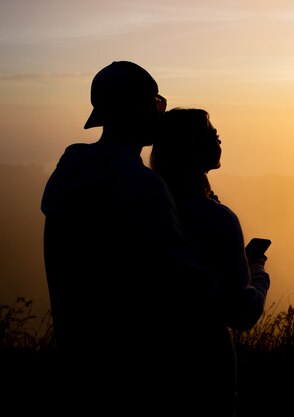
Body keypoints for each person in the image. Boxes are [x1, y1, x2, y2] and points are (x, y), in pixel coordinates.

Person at [39, 61, 236, 414]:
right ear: (140, 109)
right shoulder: (140, 184)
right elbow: (189, 280)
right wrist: (250, 278)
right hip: (133, 380)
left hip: (78, 365)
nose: (160, 113)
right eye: (157, 104)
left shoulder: (70, 170)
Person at [150, 108, 271, 417]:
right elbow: (242, 314)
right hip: (206, 372)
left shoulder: (151, 209)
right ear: (189, 147)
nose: (218, 135)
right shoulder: (218, 219)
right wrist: (257, 270)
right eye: (208, 131)